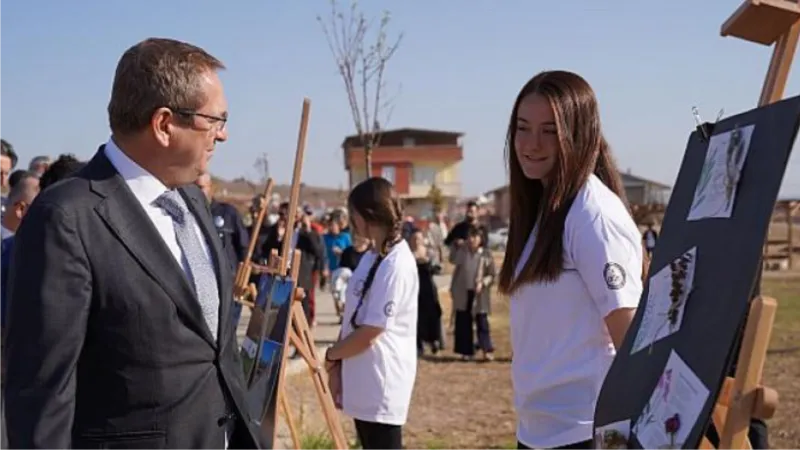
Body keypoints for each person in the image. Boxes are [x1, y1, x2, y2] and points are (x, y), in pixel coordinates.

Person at [4, 37, 264, 449]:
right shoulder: (68, 216)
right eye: (216, 119)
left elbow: (213, 351)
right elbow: (41, 389)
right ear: (164, 124)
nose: (223, 134)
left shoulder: (192, 199)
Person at [498, 71, 644, 450]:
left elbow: (631, 338)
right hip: (538, 428)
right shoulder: (543, 211)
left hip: (585, 430)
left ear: (579, 134)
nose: (531, 144)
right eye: (523, 128)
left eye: (549, 130)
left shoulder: (593, 217)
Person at [325, 177, 419, 450]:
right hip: (362, 378)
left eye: (353, 214)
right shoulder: (372, 255)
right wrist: (339, 365)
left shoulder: (397, 264)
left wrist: (332, 355)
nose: (351, 221)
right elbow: (355, 316)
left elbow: (371, 331)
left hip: (382, 381)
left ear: (367, 216)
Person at [196, 172, 250, 326]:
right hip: (202, 286)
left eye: (201, 187)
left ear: (210, 188)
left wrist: (242, 279)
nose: (197, 192)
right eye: (193, 187)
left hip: (228, 284)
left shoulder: (228, 213)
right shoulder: (187, 215)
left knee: (228, 330)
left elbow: (244, 248)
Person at [450, 224, 496, 361]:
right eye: (470, 236)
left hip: (479, 293)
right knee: (463, 321)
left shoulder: (486, 254)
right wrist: (455, 245)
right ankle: (466, 351)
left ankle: (486, 350)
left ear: (480, 238)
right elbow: (452, 259)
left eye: (475, 236)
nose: (472, 239)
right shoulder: (462, 251)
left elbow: (492, 275)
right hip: (463, 291)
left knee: (482, 321)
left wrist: (483, 282)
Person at [409, 228, 444, 356]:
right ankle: (419, 344)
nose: (417, 241)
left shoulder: (430, 253)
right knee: (417, 317)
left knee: (433, 314)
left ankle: (435, 341)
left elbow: (439, 268)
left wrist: (428, 263)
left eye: (418, 238)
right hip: (414, 290)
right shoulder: (408, 255)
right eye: (414, 239)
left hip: (429, 288)